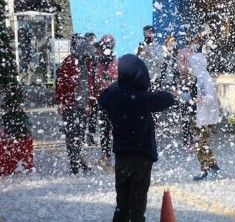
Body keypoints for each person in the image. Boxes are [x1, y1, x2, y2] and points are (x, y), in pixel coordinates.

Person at [98, 54, 175, 222]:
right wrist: (172, 93)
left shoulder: (114, 94)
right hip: (140, 155)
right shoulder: (140, 97)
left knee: (122, 204)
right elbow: (166, 99)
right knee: (137, 206)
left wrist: (117, 86)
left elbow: (103, 98)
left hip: (121, 154)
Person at [56, 35, 96, 174]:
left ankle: (77, 159)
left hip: (82, 104)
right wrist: (61, 101)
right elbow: (61, 83)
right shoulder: (68, 62)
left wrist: (89, 102)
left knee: (79, 133)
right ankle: (75, 162)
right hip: (71, 103)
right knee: (72, 134)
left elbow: (90, 86)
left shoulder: (86, 63)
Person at [188, 50, 221, 181]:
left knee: (200, 144)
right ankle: (213, 166)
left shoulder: (205, 78)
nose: (191, 67)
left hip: (206, 117)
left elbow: (210, 98)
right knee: (202, 143)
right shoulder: (201, 77)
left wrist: (200, 100)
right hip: (203, 117)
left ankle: (205, 169)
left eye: (192, 64)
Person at [94, 34, 118, 169]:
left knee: (107, 129)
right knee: (109, 129)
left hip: (108, 96)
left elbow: (102, 79)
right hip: (110, 96)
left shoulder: (109, 60)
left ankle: (107, 155)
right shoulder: (106, 60)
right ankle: (107, 155)